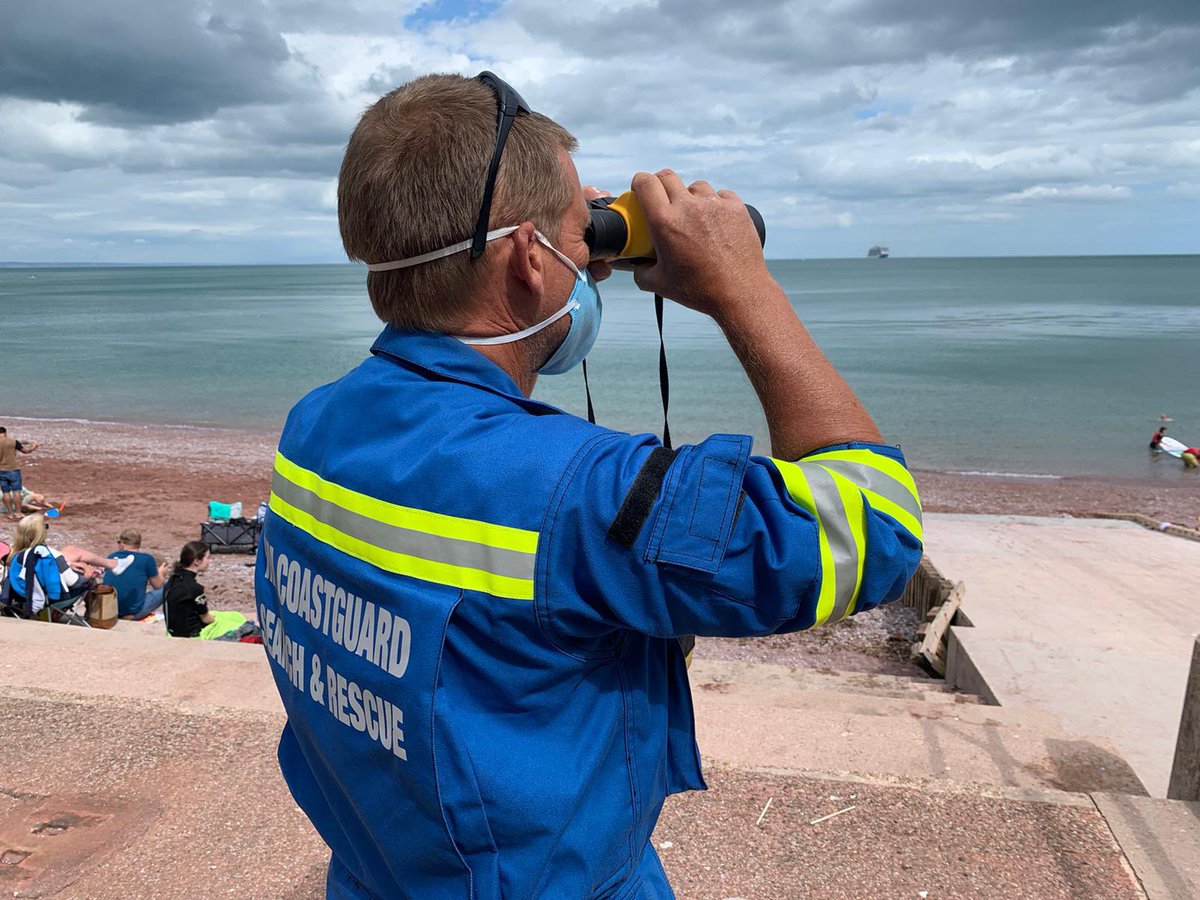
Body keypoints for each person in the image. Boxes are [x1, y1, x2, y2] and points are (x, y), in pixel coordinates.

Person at [254, 73, 923, 899]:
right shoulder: (580, 494)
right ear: (529, 258)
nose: (592, 250)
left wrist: (564, 238)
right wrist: (741, 284)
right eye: (582, 232)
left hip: (379, 872)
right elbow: (873, 528)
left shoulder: (314, 426)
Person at [2, 513, 131, 617]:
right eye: (45, 526)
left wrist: (68, 565)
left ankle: (113, 565)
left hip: (21, 596)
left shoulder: (14, 555)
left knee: (74, 558)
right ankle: (92, 616)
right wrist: (88, 575)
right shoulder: (50, 554)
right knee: (90, 579)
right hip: (52, 600)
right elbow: (74, 582)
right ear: (40, 533)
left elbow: (37, 571)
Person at [163, 541, 259, 640]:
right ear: (197, 561)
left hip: (173, 630)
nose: (209, 561)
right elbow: (206, 619)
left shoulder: (172, 581)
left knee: (230, 615)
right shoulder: (194, 588)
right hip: (193, 635)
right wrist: (218, 620)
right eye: (207, 558)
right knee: (237, 620)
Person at [104, 528, 169, 619]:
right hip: (133, 613)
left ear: (122, 545)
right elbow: (158, 586)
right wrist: (161, 573)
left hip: (108, 611)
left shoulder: (111, 557)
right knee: (169, 585)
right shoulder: (147, 559)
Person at [0, 426, 40, 521]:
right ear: (5, 433)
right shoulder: (13, 441)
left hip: (1, 470)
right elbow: (25, 451)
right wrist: (34, 447)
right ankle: (18, 513)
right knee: (16, 491)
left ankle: (10, 514)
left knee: (5, 492)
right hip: (13, 469)